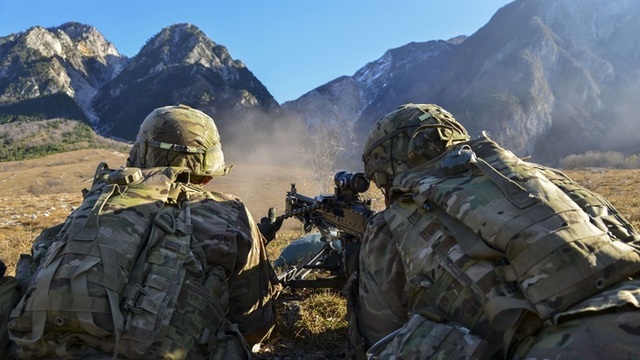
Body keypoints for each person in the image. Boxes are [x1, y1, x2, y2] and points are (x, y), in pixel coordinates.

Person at [349, 103, 640, 359]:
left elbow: (379, 335)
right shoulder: (542, 174)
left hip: (561, 345)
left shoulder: (391, 223)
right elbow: (624, 235)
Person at [7, 104, 281, 359]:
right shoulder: (229, 212)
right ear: (208, 172)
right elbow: (254, 323)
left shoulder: (98, 200)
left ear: (137, 155)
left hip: (39, 347)